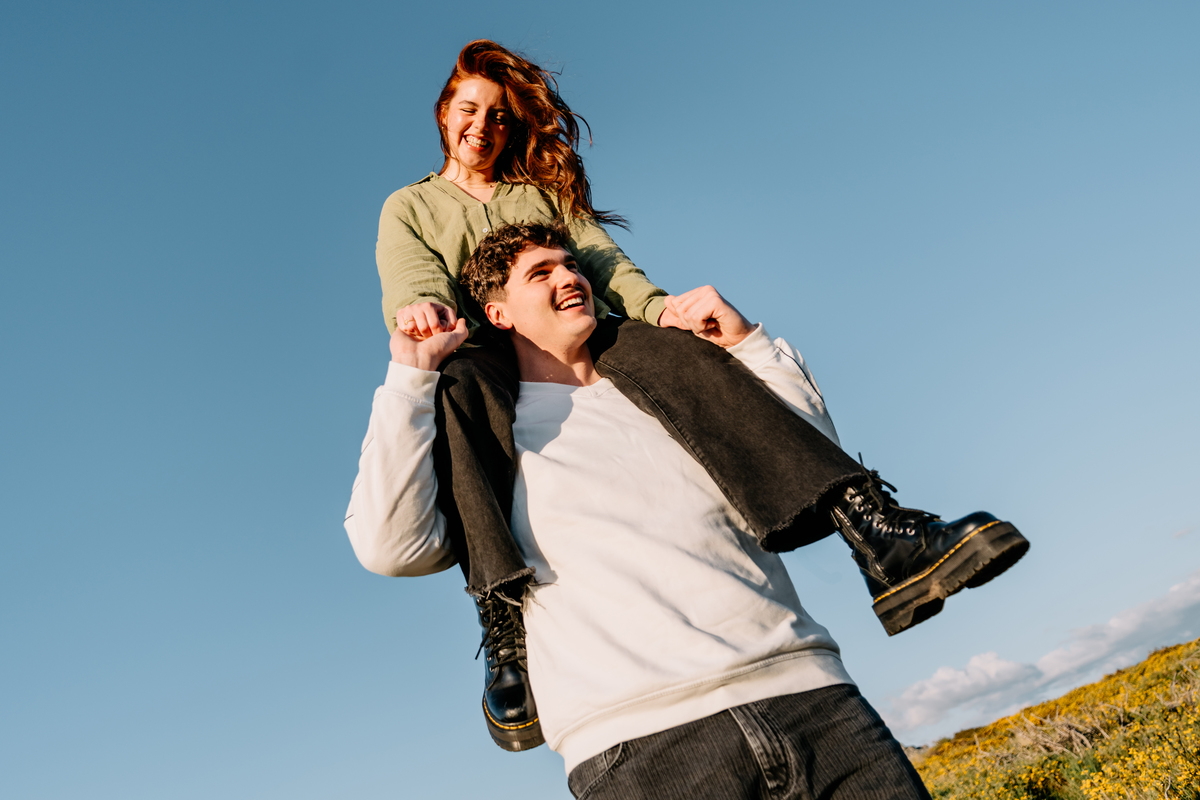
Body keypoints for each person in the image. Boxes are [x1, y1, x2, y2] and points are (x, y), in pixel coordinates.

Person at [375, 40, 1028, 750]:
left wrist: (661, 311)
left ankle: (874, 531)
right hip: (486, 348)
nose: (484, 126)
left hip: (586, 334)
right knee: (457, 386)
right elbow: (413, 278)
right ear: (444, 113)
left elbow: (602, 263)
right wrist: (424, 311)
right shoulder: (411, 205)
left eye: (500, 115)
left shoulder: (537, 194)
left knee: (677, 346)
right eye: (470, 110)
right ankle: (506, 628)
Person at [346, 221, 935, 798]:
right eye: (540, 273)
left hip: (814, 701)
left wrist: (746, 345)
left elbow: (809, 458)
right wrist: (410, 379)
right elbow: (392, 548)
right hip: (640, 747)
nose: (569, 277)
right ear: (498, 314)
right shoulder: (491, 432)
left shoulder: (675, 383)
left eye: (571, 264)